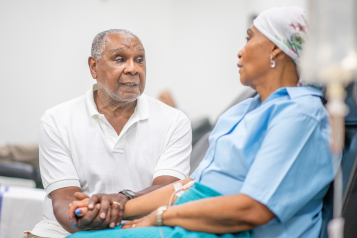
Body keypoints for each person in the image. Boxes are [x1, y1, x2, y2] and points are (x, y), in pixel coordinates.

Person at [67, 6, 335, 238]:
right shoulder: (244, 109)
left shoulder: (301, 114)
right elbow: (191, 185)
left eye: (249, 39)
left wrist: (163, 216)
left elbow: (252, 209)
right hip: (196, 217)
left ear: (277, 47)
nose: (240, 52)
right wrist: (116, 205)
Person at [27, 29, 192, 238]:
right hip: (62, 232)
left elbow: (168, 188)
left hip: (140, 228)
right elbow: (65, 200)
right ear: (94, 67)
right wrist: (83, 216)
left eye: (139, 60)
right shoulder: (56, 120)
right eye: (120, 59)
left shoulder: (174, 121)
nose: (133, 68)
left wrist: (122, 199)